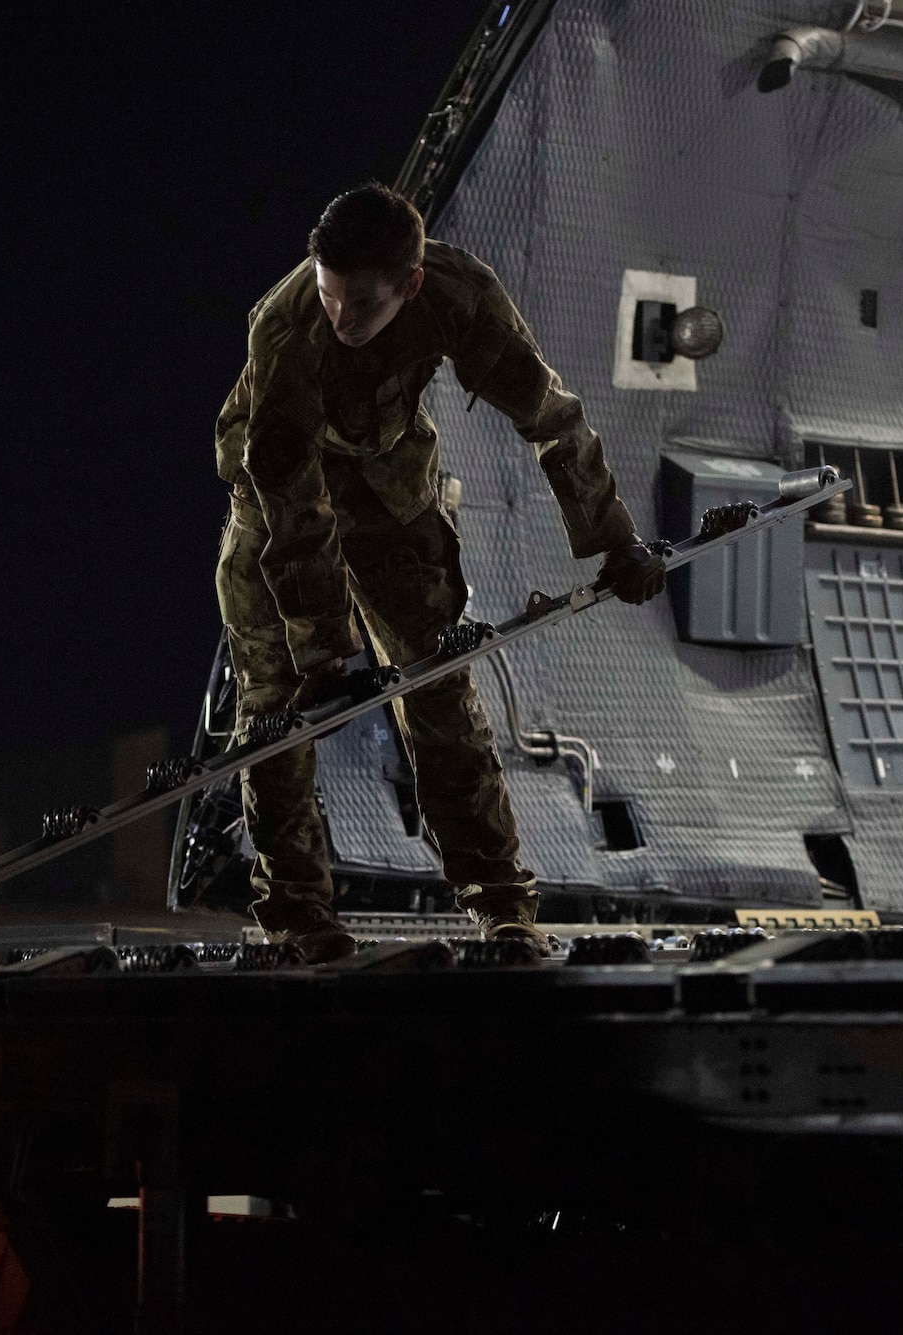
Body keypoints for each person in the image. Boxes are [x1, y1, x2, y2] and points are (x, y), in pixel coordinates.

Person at [213, 182, 665, 964]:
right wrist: (324, 648)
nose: (339, 319)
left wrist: (615, 539)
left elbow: (550, 418)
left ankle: (503, 908)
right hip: (275, 502)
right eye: (327, 294)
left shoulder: (458, 296)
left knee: (440, 684)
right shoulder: (286, 329)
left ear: (411, 284)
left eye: (359, 303)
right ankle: (296, 917)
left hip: (390, 492)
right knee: (276, 712)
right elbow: (293, 505)